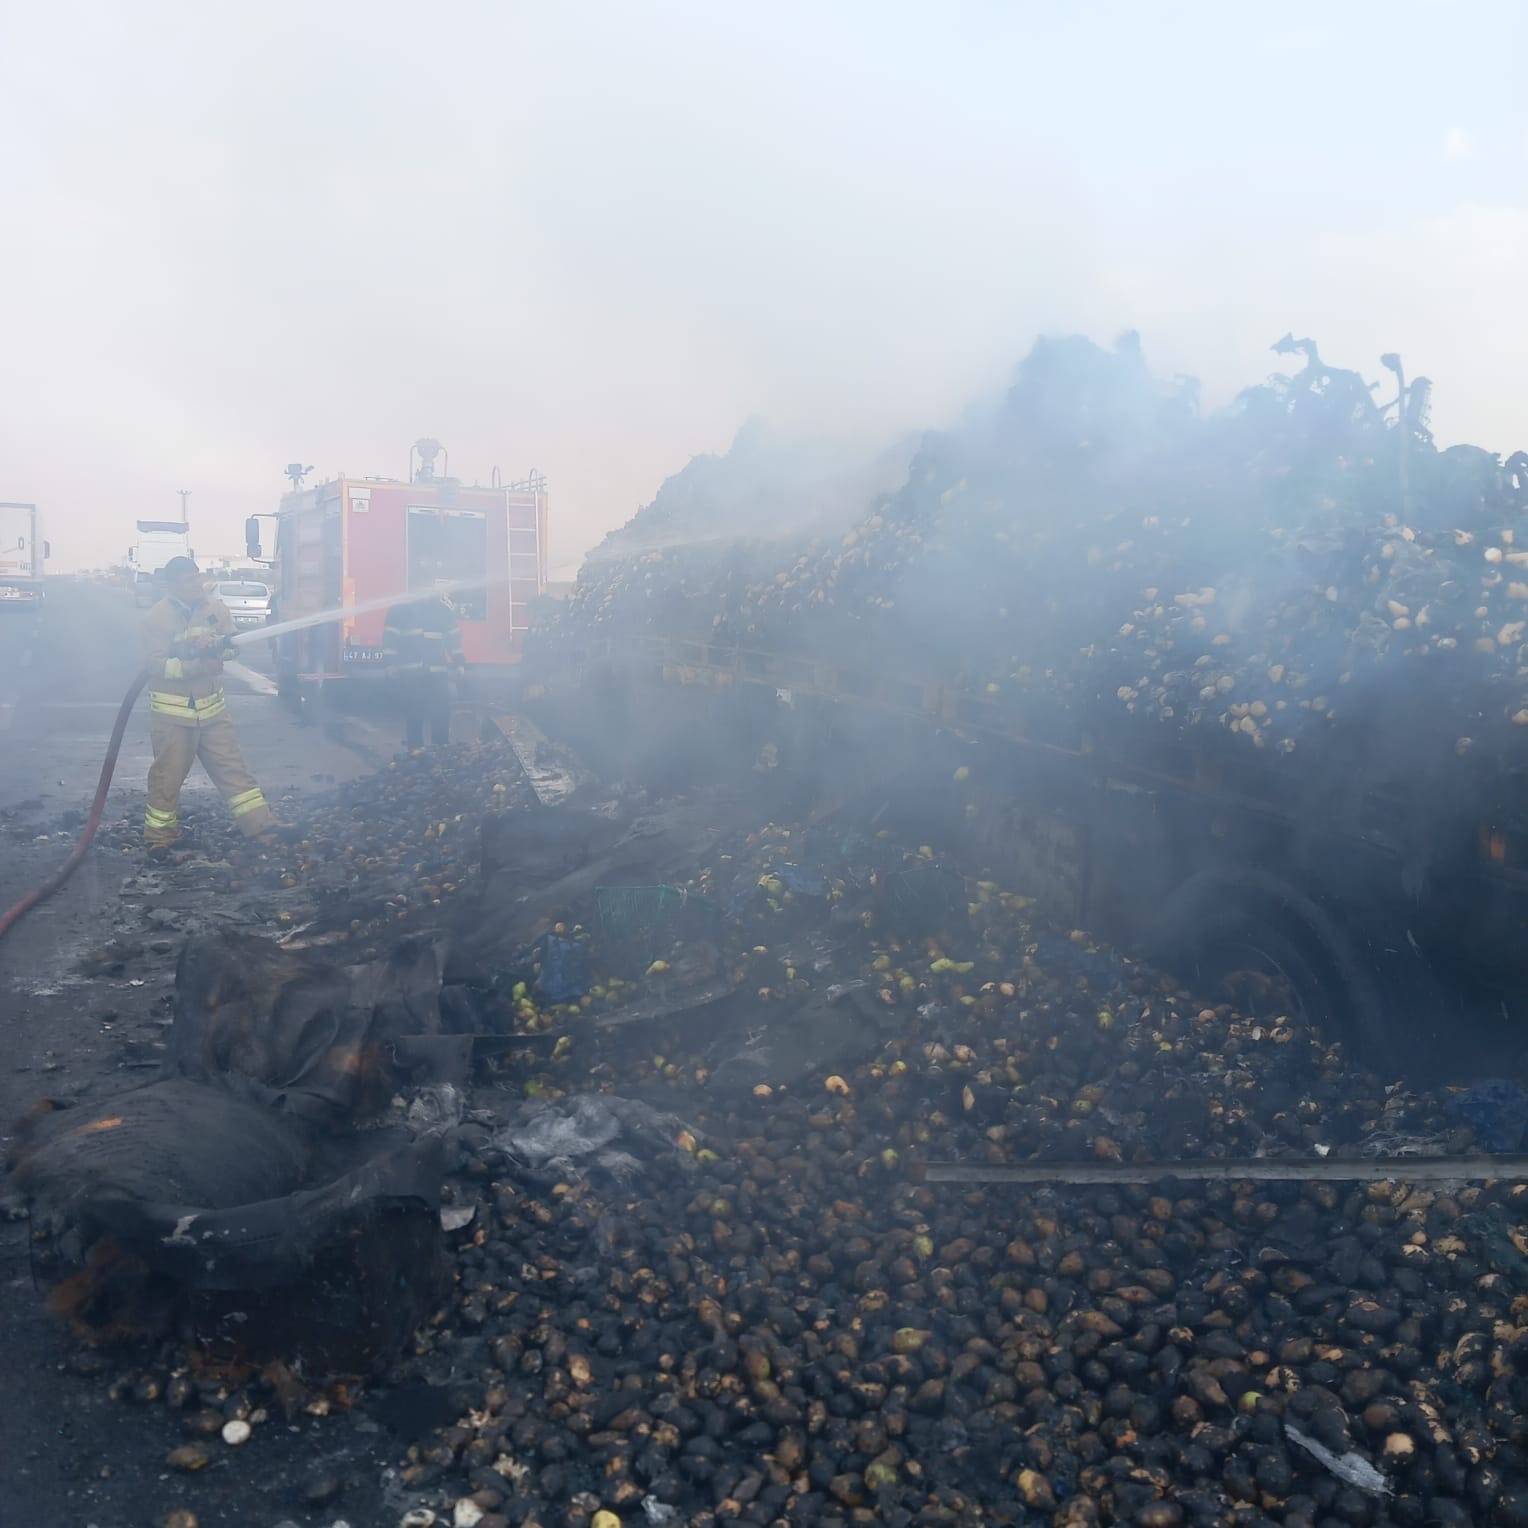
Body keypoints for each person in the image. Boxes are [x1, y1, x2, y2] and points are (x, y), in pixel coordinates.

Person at [140, 556, 275, 848]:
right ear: (172, 584)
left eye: (197, 576)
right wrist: (197, 664)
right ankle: (159, 837)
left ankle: (260, 827)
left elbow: (232, 649)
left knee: (234, 772)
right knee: (167, 778)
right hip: (174, 716)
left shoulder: (216, 609)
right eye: (188, 579)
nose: (196, 584)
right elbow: (156, 666)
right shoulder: (157, 617)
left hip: (213, 712)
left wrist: (218, 652)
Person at [382, 590, 465, 749]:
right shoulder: (401, 610)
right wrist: (390, 663)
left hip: (437, 672)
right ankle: (416, 750)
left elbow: (453, 638)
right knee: (415, 712)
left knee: (440, 711)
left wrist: (459, 662)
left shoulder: (442, 610)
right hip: (412, 673)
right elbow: (390, 638)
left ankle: (440, 748)